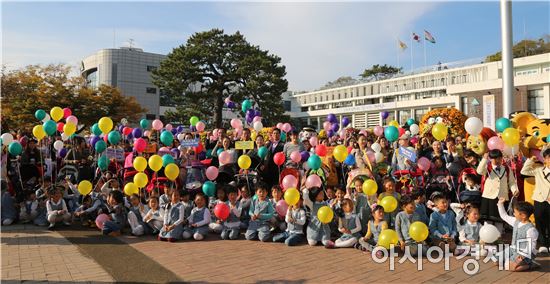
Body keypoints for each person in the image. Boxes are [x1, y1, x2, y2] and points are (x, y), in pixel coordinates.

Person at [477, 149, 518, 232]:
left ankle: (498, 239)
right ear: (490, 158)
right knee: (488, 221)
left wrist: (514, 190)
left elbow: (512, 182)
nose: (496, 161)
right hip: (489, 197)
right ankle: (487, 238)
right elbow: (479, 171)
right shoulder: (487, 167)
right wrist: (484, 159)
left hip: (502, 197)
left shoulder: (506, 168)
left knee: (500, 220)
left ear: (502, 158)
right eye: (494, 158)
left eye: (499, 158)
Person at [520, 149, 550, 253]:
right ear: (545, 160)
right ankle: (543, 244)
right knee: (539, 221)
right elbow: (524, 171)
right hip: (540, 199)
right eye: (548, 158)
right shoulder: (539, 170)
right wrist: (530, 161)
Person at [497, 197, 539, 272]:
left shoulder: (531, 229)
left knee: (510, 267)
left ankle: (531, 264)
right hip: (513, 249)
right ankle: (510, 259)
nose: (513, 214)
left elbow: (532, 246)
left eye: (515, 212)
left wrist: (523, 256)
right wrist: (500, 204)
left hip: (524, 253)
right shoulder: (515, 221)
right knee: (496, 260)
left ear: (523, 215)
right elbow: (504, 216)